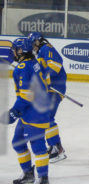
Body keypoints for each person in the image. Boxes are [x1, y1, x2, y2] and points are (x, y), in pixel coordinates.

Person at [1, 38, 50, 184]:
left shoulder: (22, 67)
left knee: (37, 145)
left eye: (15, 49)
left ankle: (43, 178)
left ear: (21, 51)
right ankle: (28, 174)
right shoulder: (34, 62)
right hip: (29, 111)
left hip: (36, 112)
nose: (13, 51)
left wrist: (14, 112)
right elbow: (45, 79)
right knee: (18, 142)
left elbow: (27, 96)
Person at [27, 32, 68, 163]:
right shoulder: (39, 53)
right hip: (50, 89)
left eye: (33, 44)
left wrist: (45, 78)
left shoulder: (46, 48)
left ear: (38, 41)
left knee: (47, 116)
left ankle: (57, 148)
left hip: (56, 88)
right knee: (46, 116)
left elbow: (56, 65)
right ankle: (55, 146)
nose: (32, 47)